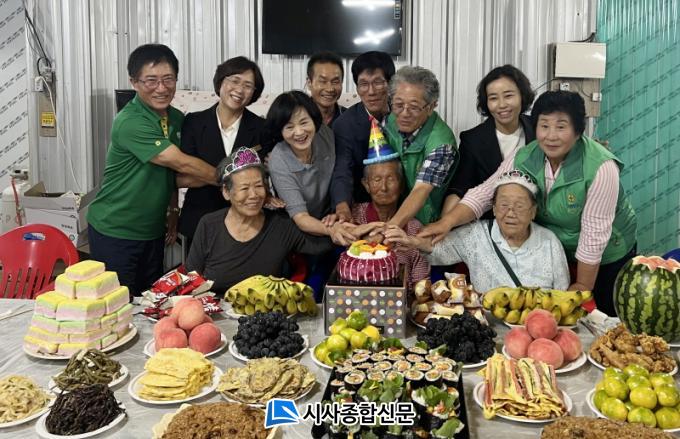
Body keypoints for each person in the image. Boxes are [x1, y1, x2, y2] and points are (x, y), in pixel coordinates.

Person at [422, 91, 637, 315]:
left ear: (578, 131)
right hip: (563, 248)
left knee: (603, 317)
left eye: (561, 127)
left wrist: (582, 285)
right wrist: (446, 223)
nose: (551, 136)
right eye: (544, 126)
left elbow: (594, 235)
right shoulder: (526, 155)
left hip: (606, 256)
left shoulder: (601, 168)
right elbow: (485, 193)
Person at [87, 44, 216, 296]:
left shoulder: (176, 118)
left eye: (168, 79)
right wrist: (229, 178)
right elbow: (180, 162)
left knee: (150, 300)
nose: (161, 88)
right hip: (116, 230)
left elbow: (173, 176)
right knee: (120, 303)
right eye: (151, 80)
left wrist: (173, 210)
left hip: (152, 231)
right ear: (134, 82)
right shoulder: (130, 121)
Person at [385, 170, 570, 292]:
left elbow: (562, 294)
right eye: (504, 205)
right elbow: (438, 250)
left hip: (538, 328)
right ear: (494, 209)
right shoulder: (476, 234)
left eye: (519, 206)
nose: (510, 213)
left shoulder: (549, 241)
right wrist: (413, 241)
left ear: (533, 211)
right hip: (487, 327)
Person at [186, 148, 334, 293]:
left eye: (258, 186)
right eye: (244, 188)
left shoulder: (280, 225)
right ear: (226, 192)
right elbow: (192, 277)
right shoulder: (209, 225)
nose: (253, 195)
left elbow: (322, 244)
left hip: (265, 307)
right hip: (214, 306)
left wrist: (334, 226)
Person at [177, 57, 266, 249]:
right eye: (234, 81)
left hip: (247, 223)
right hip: (200, 219)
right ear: (220, 82)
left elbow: (263, 175)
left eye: (248, 86)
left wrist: (202, 173)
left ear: (254, 92)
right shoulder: (193, 122)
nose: (239, 90)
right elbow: (182, 177)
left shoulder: (261, 128)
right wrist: (235, 179)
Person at [444, 65, 536, 218]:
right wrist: (445, 223)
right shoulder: (472, 140)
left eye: (508, 96)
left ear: (522, 96)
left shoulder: (539, 129)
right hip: (490, 220)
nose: (502, 105)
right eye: (493, 98)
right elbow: (459, 188)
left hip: (534, 218)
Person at [266, 90, 356, 245]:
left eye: (304, 122)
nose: (299, 132)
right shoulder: (278, 160)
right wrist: (332, 230)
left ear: (314, 120)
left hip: (329, 216)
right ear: (280, 130)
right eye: (289, 127)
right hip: (297, 228)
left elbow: (340, 174)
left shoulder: (325, 135)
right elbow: (300, 217)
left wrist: (338, 214)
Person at [382, 66, 459, 227]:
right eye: (398, 105)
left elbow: (421, 190)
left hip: (427, 222)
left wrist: (391, 226)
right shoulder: (389, 122)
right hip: (394, 213)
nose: (404, 113)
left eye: (414, 107)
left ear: (431, 107)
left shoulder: (442, 144)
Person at [330, 51, 396, 222]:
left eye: (378, 83)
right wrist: (342, 206)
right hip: (365, 204)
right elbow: (342, 169)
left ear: (391, 83)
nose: (371, 91)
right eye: (363, 84)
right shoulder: (345, 125)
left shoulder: (403, 114)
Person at [353, 158, 430, 292]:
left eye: (391, 179)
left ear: (401, 185)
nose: (384, 187)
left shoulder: (415, 229)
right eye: (377, 180)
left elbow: (421, 288)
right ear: (366, 185)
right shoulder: (353, 218)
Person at [306, 51, 346, 126]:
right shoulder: (296, 118)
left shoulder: (350, 119)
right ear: (309, 83)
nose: (329, 89)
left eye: (335, 82)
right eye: (322, 81)